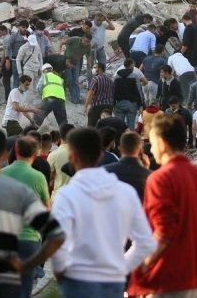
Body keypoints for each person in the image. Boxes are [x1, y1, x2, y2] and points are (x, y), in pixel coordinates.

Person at [129, 114, 197, 298]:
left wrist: (143, 263)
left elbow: (164, 231)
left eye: (152, 143)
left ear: (161, 143)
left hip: (165, 278)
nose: (151, 149)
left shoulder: (160, 179)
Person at [51, 128, 156, 298]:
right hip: (113, 280)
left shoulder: (66, 196)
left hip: (77, 279)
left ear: (72, 157)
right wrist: (120, 268)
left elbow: (57, 241)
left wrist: (60, 270)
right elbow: (145, 242)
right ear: (100, 155)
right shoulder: (126, 192)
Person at [0, 124, 65, 297]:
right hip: (28, 241)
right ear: (4, 155)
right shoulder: (20, 191)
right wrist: (32, 264)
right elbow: (57, 234)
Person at [1, 136, 52, 297]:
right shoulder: (38, 177)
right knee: (25, 288)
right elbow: (46, 209)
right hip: (30, 237)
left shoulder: (2, 173)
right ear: (36, 153)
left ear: (15, 151)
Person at [105, 132, 152, 200]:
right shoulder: (149, 176)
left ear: (119, 149)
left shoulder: (106, 171)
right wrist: (146, 169)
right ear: (141, 150)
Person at [59, 34, 91, 104]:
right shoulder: (74, 39)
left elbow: (88, 56)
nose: (86, 43)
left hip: (76, 63)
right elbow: (62, 43)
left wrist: (89, 65)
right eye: (85, 41)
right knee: (70, 79)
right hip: (67, 62)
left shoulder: (88, 46)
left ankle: (77, 97)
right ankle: (73, 98)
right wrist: (58, 52)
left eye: (88, 42)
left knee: (75, 80)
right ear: (82, 38)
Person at [33, 64, 68, 128]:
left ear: (43, 71)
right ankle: (67, 133)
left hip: (49, 99)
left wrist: (42, 95)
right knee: (63, 122)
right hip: (61, 100)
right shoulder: (59, 78)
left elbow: (38, 88)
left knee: (37, 118)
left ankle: (30, 132)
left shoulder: (44, 75)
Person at [114, 58, 144, 130]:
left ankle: (119, 137)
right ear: (131, 65)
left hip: (119, 103)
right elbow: (138, 91)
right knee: (131, 126)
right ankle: (130, 137)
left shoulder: (117, 76)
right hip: (132, 104)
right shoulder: (134, 76)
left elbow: (113, 90)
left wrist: (113, 103)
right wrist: (140, 104)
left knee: (118, 126)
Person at [47, 123, 75, 199]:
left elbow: (50, 178)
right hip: (77, 197)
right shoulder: (82, 153)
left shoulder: (53, 155)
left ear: (60, 137)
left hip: (59, 196)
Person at [85, 62, 116, 127]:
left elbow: (90, 93)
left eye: (94, 67)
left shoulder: (95, 79)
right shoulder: (110, 80)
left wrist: (86, 106)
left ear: (100, 69)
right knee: (106, 126)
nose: (93, 69)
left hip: (97, 106)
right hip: (108, 106)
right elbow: (113, 93)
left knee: (91, 126)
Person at [3, 21, 29, 88]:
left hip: (26, 61)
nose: (25, 29)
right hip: (16, 61)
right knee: (16, 81)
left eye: (26, 28)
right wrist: (7, 60)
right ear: (19, 27)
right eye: (23, 27)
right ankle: (15, 93)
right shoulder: (14, 36)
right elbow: (8, 48)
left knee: (26, 80)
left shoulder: (29, 35)